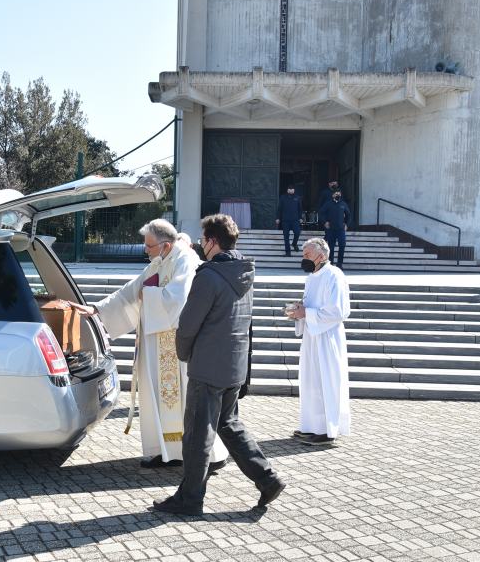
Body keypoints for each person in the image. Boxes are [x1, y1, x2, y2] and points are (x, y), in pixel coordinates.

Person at [152, 214, 285, 516]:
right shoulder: (244, 272)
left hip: (208, 366)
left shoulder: (209, 275)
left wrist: (184, 354)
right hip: (233, 365)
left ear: (212, 242)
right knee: (229, 425)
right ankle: (268, 479)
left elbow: (187, 325)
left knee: (198, 435)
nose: (200, 244)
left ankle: (190, 499)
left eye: (202, 239)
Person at [70, 219, 229, 469]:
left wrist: (150, 295)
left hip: (176, 347)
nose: (146, 250)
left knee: (186, 400)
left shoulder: (184, 260)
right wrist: (96, 309)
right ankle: (167, 450)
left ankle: (205, 454)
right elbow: (130, 292)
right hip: (156, 345)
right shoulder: (160, 261)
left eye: (149, 246)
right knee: (157, 398)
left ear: (165, 245)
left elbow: (179, 300)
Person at [287, 237, 351, 446]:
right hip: (312, 337)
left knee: (326, 381)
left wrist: (308, 312)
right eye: (303, 254)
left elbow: (338, 311)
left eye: (307, 254)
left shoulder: (334, 275)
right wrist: (299, 311)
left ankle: (327, 430)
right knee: (310, 381)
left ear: (321, 255)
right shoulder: (312, 277)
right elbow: (310, 306)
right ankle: (311, 426)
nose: (303, 258)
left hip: (327, 337)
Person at [318, 190, 351, 269]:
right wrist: (325, 222)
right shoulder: (328, 204)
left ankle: (339, 263)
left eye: (339, 193)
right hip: (331, 229)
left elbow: (348, 215)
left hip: (340, 229)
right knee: (331, 247)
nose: (337, 194)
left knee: (342, 245)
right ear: (333, 195)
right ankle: (331, 262)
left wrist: (347, 224)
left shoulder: (343, 204)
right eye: (336, 193)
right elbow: (321, 213)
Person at [276, 185, 302, 257]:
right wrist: (278, 218)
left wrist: (300, 217)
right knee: (286, 237)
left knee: (297, 232)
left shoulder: (297, 197)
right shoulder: (283, 197)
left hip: (295, 220)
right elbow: (279, 209)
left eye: (292, 189)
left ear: (294, 190)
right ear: (287, 190)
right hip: (285, 220)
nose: (291, 190)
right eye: (289, 189)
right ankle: (288, 253)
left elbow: (300, 209)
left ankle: (294, 243)